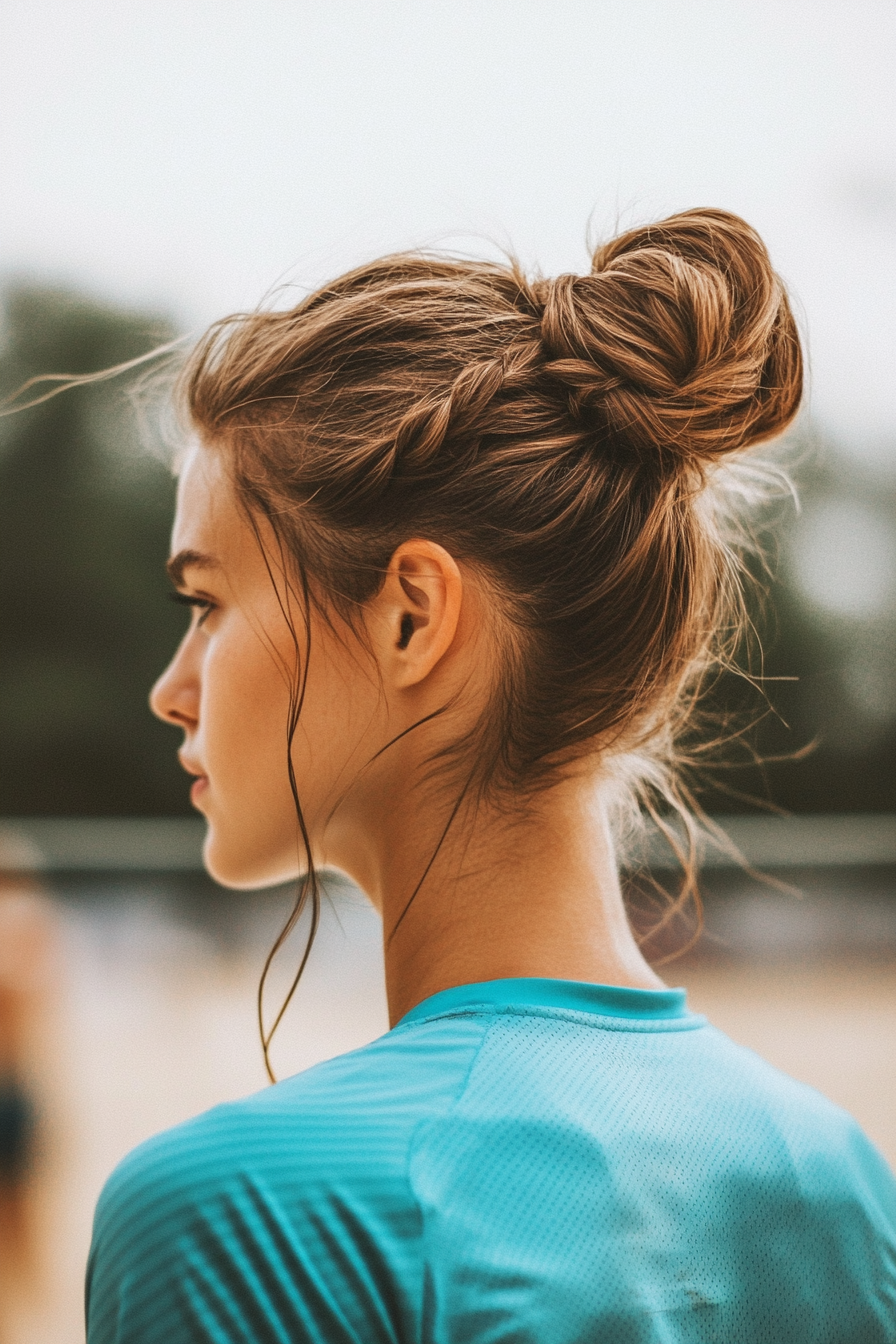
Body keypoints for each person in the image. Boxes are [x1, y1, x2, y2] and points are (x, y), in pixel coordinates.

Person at [85, 210, 896, 1342]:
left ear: (411, 615)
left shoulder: (242, 1219)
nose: (176, 688)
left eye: (209, 602)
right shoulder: (836, 1181)